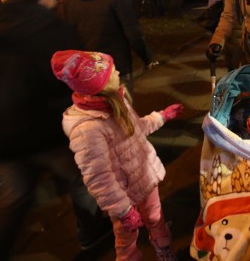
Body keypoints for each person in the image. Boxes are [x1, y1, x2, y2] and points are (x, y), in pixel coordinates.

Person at [0, 0, 111, 260]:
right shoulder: (54, 30)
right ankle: (91, 232)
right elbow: (76, 82)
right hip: (47, 133)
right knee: (81, 179)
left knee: (12, 201)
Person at [51, 49, 184, 261]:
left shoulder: (118, 102)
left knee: (155, 216)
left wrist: (162, 117)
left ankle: (162, 246)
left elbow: (137, 128)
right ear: (98, 85)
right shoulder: (87, 129)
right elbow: (99, 178)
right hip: (123, 196)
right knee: (125, 237)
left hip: (144, 178)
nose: (118, 72)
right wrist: (123, 211)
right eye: (112, 72)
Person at [59, 0, 157, 94]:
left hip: (83, 70)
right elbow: (133, 34)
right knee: (122, 111)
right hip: (115, 68)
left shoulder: (67, 0)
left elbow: (66, 35)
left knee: (94, 113)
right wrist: (147, 58)